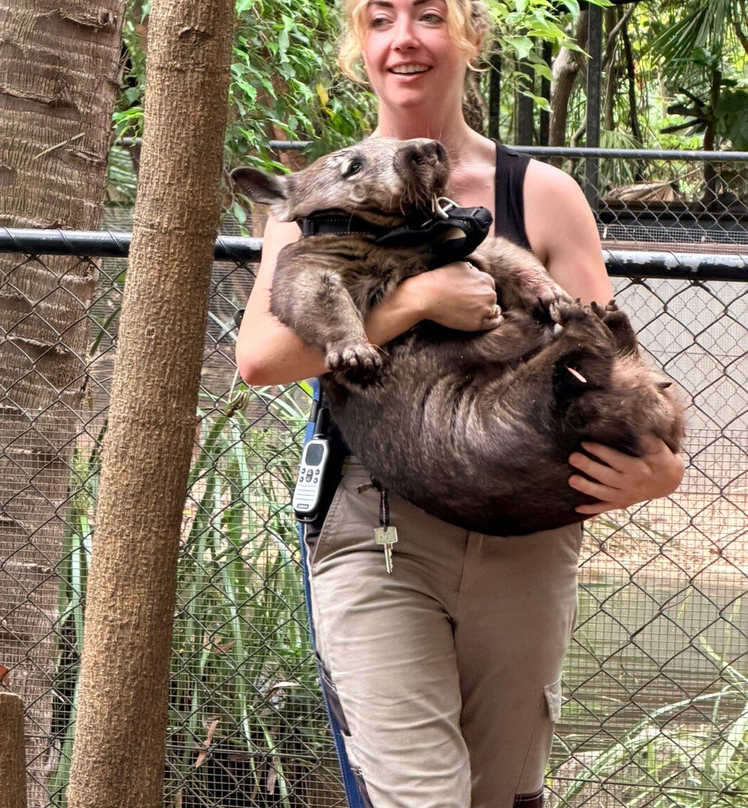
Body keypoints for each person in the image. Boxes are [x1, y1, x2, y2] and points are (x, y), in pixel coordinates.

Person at [234, 1, 685, 806]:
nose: (404, 39)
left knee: (503, 790)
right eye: (380, 20)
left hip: (522, 527)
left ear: (470, 36)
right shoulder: (318, 196)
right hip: (377, 528)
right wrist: (415, 302)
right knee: (420, 795)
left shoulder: (539, 193)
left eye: (429, 16)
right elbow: (263, 357)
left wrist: (663, 471)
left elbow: (611, 354)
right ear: (358, 48)